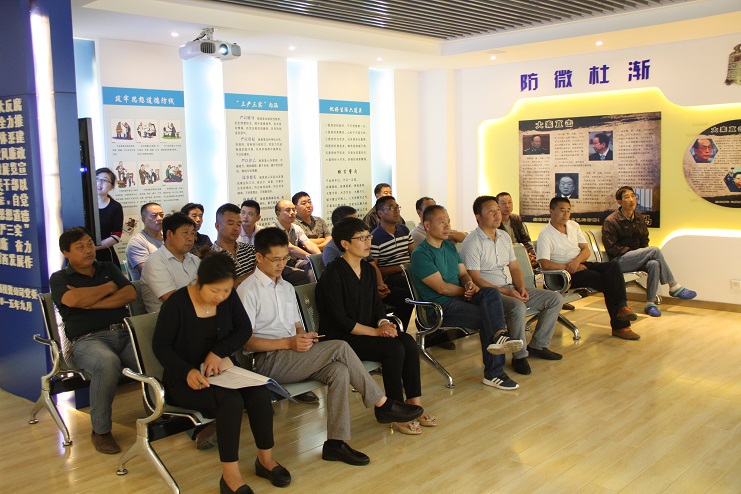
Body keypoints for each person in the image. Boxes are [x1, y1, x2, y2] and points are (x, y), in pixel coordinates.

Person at [238, 227, 424, 466]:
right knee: (340, 347)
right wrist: (288, 342)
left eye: (285, 258)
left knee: (339, 371)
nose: (281, 264)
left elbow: (297, 325)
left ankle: (335, 443)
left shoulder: (285, 287)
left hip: (292, 354)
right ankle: (383, 403)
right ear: (259, 257)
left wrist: (304, 337)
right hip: (267, 361)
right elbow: (246, 341)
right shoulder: (247, 291)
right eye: (275, 260)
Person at [152, 253, 290, 493]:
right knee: (231, 401)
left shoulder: (228, 297)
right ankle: (230, 476)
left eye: (226, 291)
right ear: (199, 282)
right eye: (214, 291)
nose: (221, 297)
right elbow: (161, 347)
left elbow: (243, 329)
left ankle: (265, 460)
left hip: (222, 371)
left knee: (259, 393)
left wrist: (217, 352)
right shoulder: (177, 304)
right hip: (186, 380)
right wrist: (186, 372)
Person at [317, 218, 436, 435]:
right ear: (345, 244)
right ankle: (393, 410)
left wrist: (383, 323)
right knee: (393, 348)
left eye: (368, 237)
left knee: (408, 343)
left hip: (366, 332)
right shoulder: (333, 274)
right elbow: (340, 320)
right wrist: (375, 331)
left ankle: (414, 404)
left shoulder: (368, 270)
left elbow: (376, 305)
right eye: (361, 238)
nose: (368, 242)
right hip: (342, 338)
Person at [410, 205, 524, 390]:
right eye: (441, 222)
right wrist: (466, 291)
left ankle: (499, 336)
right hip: (441, 308)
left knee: (490, 292)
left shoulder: (449, 246)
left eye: (448, 221)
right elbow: (442, 288)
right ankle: (494, 373)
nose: (447, 226)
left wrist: (469, 283)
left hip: (461, 298)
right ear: (427, 225)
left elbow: (463, 274)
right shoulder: (421, 254)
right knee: (488, 316)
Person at [50, 227, 137, 454]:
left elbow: (129, 294)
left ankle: (170, 411)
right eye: (80, 247)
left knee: (155, 355)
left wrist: (91, 302)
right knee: (106, 362)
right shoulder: (59, 278)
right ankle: (101, 431)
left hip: (125, 334)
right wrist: (109, 287)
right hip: (87, 340)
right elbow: (73, 300)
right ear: (66, 252)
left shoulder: (108, 267)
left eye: (90, 244)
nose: (88, 250)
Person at [460, 196, 563, 376]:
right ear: (478, 216)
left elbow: (514, 267)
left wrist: (520, 287)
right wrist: (507, 292)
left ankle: (538, 345)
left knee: (555, 299)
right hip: (489, 294)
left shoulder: (504, 236)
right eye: (490, 211)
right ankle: (519, 356)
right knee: (517, 307)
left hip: (510, 288)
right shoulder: (472, 242)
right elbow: (474, 278)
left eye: (497, 210)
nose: (497, 214)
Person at [537, 197, 641, 340]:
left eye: (568, 211)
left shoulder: (573, 225)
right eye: (562, 211)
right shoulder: (545, 234)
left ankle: (622, 307)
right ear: (551, 211)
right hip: (563, 274)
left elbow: (586, 250)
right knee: (607, 281)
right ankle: (621, 326)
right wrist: (569, 267)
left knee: (613, 267)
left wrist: (576, 262)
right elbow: (544, 263)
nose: (566, 214)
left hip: (581, 264)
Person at [602, 186, 697, 317]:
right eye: (627, 197)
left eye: (633, 196)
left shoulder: (639, 218)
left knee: (654, 264)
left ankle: (650, 304)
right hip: (618, 261)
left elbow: (644, 239)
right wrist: (637, 253)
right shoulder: (611, 221)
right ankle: (674, 286)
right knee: (654, 250)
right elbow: (612, 248)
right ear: (619, 201)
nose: (631, 200)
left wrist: (640, 255)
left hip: (636, 257)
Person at [369, 195, 415, 332]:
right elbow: (375, 268)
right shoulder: (375, 238)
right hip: (389, 280)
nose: (396, 210)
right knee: (410, 294)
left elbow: (414, 255)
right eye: (391, 207)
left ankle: (431, 327)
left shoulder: (404, 230)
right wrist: (400, 268)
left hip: (407, 273)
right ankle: (395, 330)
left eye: (397, 207)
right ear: (380, 213)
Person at [141, 212, 200, 313]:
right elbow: (173, 300)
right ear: (169, 234)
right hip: (168, 318)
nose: (190, 238)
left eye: (192, 233)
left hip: (196, 314)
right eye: (185, 232)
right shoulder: (155, 262)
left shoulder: (195, 260)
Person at [271, 199, 319, 285]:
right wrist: (313, 258)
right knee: (301, 274)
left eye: (293, 209)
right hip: (279, 264)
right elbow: (290, 249)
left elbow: (308, 243)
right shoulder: (273, 230)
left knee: (312, 267)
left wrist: (320, 256)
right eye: (288, 210)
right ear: (278, 213)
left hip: (294, 262)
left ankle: (316, 291)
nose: (292, 213)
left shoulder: (296, 228)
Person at [211, 203, 256, 289]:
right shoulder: (210, 257)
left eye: (239, 224)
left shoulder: (251, 250)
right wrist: (253, 273)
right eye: (231, 224)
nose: (235, 228)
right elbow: (225, 288)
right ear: (217, 226)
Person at [125, 202, 164, 280]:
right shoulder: (137, 242)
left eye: (161, 215)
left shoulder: (169, 237)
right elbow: (148, 273)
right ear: (143, 219)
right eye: (154, 215)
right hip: (152, 284)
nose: (159, 218)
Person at [94, 167, 124, 267]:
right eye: (97, 178)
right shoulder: (84, 203)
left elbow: (116, 236)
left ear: (112, 186)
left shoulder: (115, 207)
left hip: (105, 254)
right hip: (82, 253)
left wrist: (93, 248)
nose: (99, 183)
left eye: (104, 180)